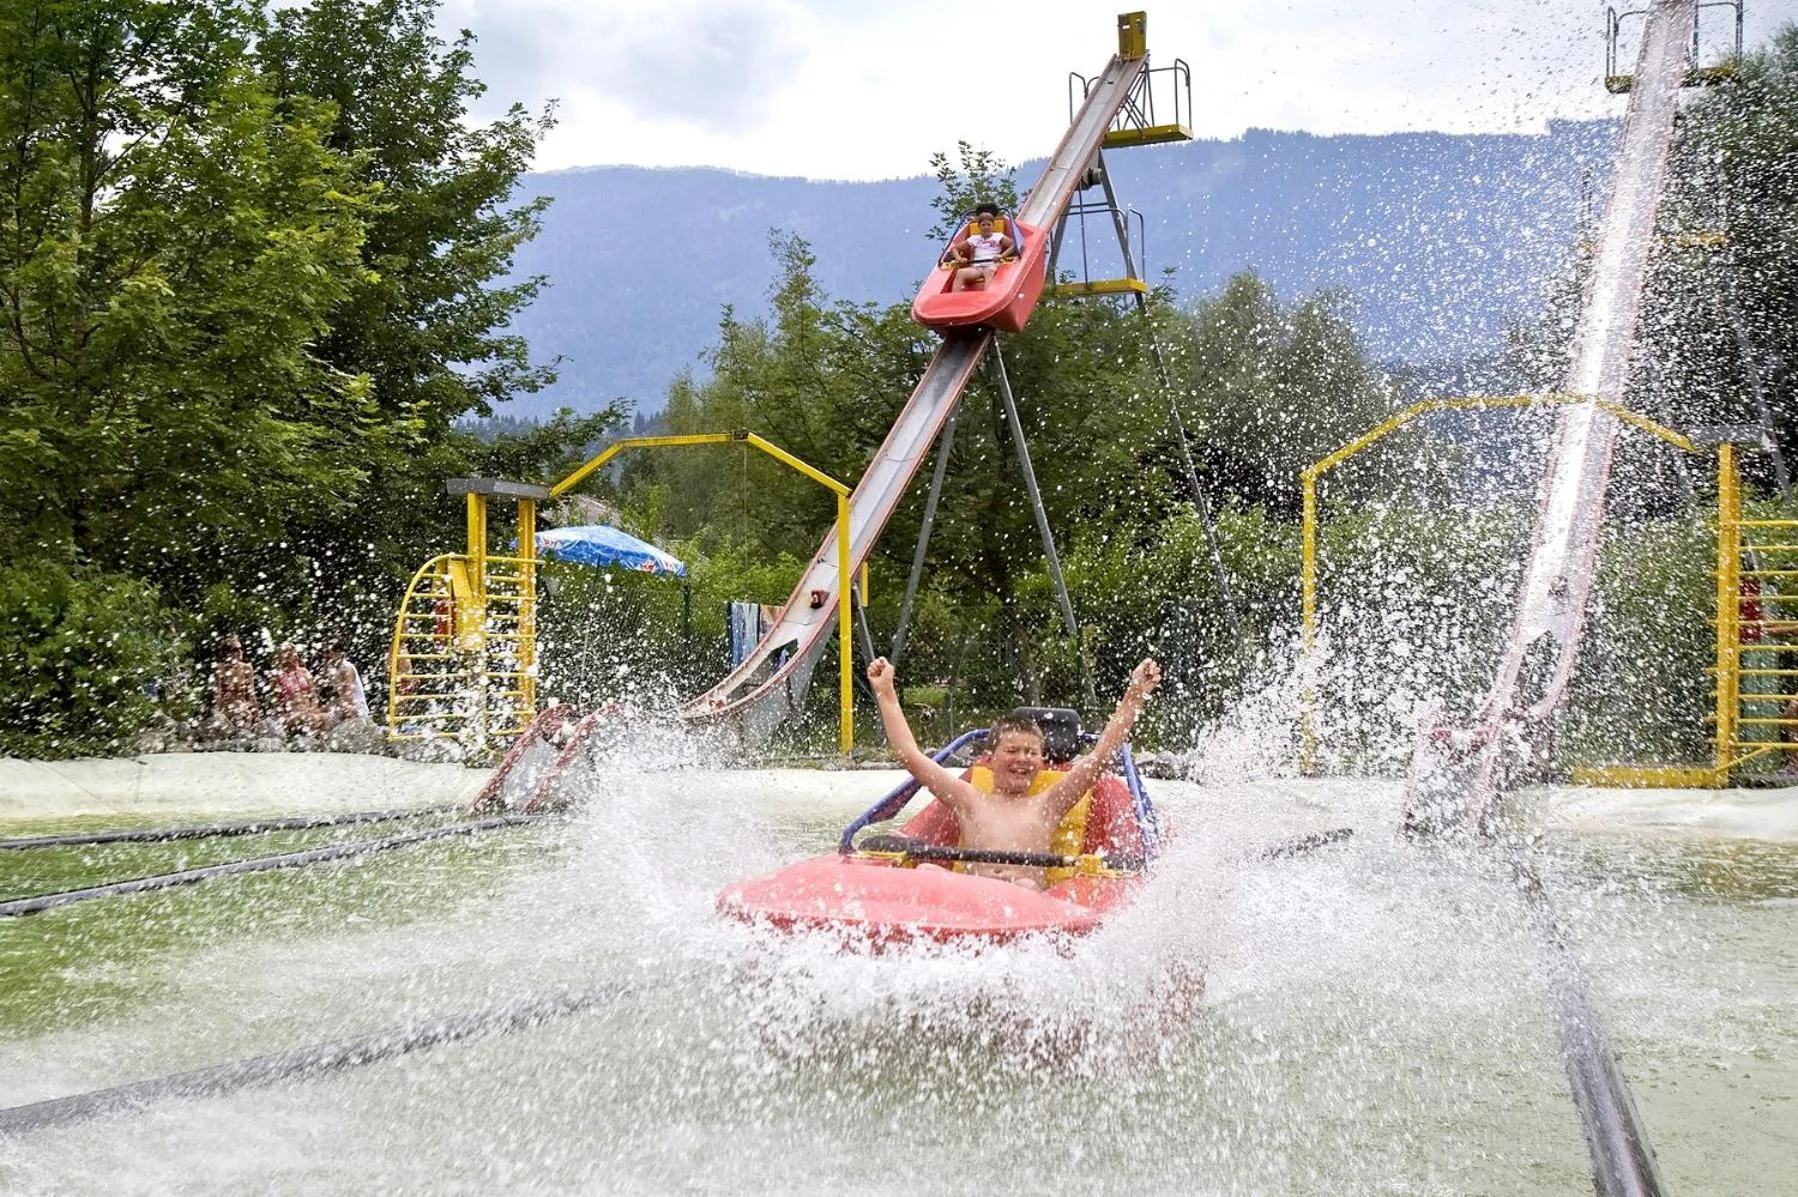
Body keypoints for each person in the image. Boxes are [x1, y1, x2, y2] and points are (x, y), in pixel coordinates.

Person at [866, 654, 1162, 889]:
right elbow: (910, 756)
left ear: (1041, 761)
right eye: (1012, 751)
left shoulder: (1049, 804)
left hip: (1024, 898)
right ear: (990, 758)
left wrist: (1134, 694)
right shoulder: (968, 800)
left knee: (1024, 884)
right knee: (927, 870)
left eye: (1031, 753)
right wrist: (885, 692)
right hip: (970, 896)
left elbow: (1100, 756)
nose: (1023, 758)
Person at [947, 203, 1015, 292]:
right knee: (960, 273)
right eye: (983, 225)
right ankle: (955, 298)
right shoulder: (974, 238)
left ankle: (988, 296)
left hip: (991, 265)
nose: (986, 227)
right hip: (977, 268)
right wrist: (959, 258)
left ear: (993, 226)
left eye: (988, 225)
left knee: (990, 271)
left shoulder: (998, 236)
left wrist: (1002, 256)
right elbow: (954, 249)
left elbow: (1014, 245)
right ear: (979, 227)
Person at [271, 642, 332, 738]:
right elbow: (277, 705)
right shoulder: (278, 677)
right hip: (292, 715)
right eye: (285, 651)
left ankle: (326, 745)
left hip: (310, 711)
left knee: (326, 717)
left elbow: (314, 696)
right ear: (280, 656)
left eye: (291, 651)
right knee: (308, 718)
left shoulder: (304, 672)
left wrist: (312, 709)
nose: (289, 654)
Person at [206, 635, 259, 738]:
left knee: (244, 719)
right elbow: (217, 694)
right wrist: (216, 714)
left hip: (243, 710)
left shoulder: (247, 668)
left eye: (240, 649)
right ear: (227, 652)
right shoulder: (220, 668)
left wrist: (256, 716)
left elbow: (251, 695)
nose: (240, 652)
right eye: (235, 649)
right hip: (227, 710)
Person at [323, 642, 370, 724]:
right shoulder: (331, 668)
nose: (325, 656)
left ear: (339, 653)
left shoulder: (347, 668)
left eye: (328, 652)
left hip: (356, 708)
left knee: (342, 708)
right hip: (341, 704)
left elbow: (348, 696)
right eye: (324, 652)